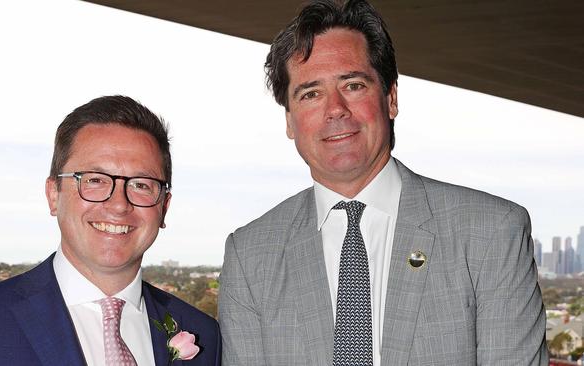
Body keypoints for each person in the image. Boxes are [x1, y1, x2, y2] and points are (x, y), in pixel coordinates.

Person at [218, 0, 547, 365]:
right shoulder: (250, 256)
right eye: (310, 93)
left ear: (390, 98)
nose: (335, 109)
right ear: (290, 122)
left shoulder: (492, 232)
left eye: (354, 85)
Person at [0, 95, 221, 365]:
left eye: (141, 185)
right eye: (95, 180)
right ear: (53, 194)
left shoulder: (203, 334)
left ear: (164, 207)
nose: (119, 205)